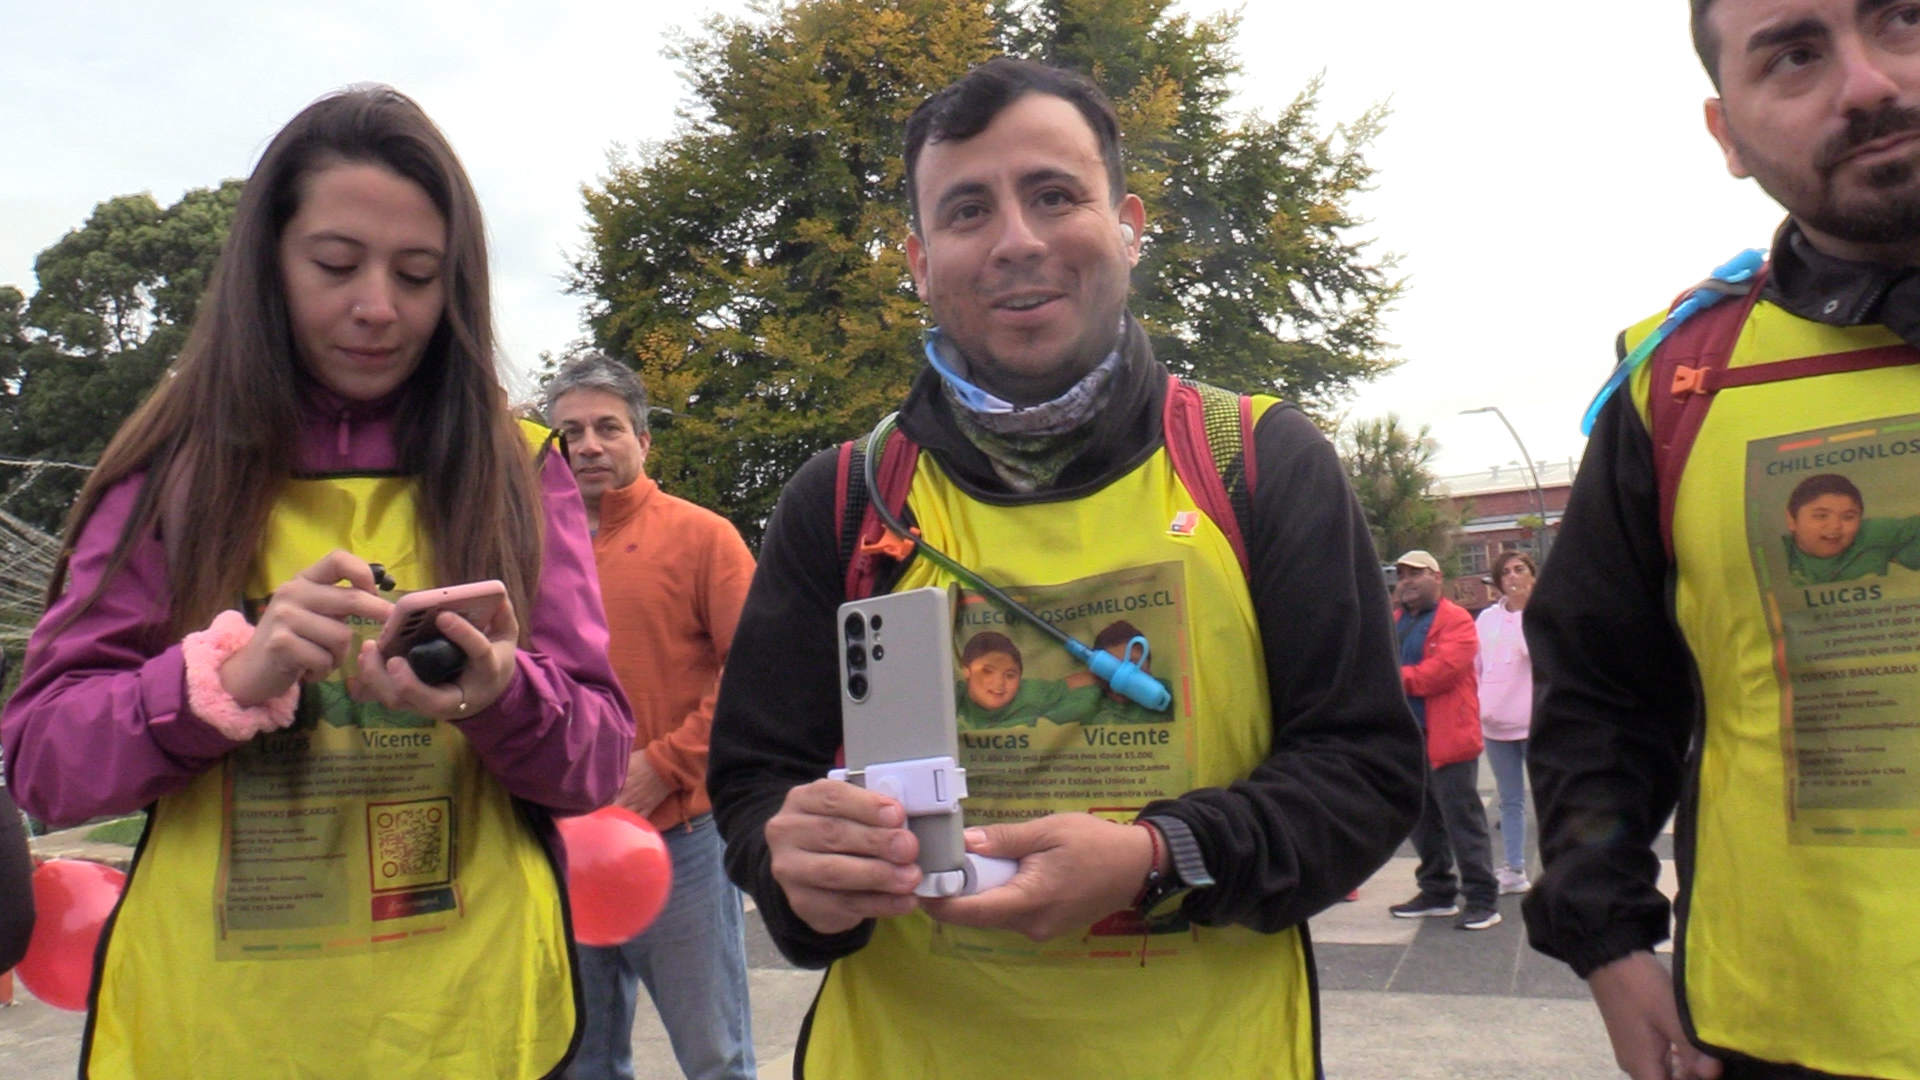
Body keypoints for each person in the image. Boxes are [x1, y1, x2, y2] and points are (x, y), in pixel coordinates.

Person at [706, 58, 1423, 1080]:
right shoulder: (843, 499)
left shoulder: (1259, 461)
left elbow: (1366, 773)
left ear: (1127, 226)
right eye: (968, 210)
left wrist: (1154, 860)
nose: (1016, 240)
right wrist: (798, 874)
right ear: (920, 262)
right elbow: (752, 787)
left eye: (1054, 195)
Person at [0, 87, 633, 1078]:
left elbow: (596, 760)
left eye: (417, 275)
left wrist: (500, 692)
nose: (377, 306)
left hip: (472, 1032)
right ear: (268, 262)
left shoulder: (520, 467)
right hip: (214, 1037)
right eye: (336, 265)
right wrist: (217, 683)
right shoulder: (165, 472)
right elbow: (41, 760)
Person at [1524, 3, 1920, 1078]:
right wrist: (1608, 941)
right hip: (1780, 1039)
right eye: (1794, 55)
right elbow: (1600, 695)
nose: (1866, 83)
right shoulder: (1673, 383)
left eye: (1902, 17)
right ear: (1728, 135)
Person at [543, 353, 758, 1080]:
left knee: (715, 1058)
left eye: (607, 428)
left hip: (679, 841)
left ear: (643, 440)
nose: (588, 446)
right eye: (570, 433)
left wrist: (663, 767)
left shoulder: (703, 538)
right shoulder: (524, 547)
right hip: (558, 845)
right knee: (580, 1061)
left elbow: (755, 674)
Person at [1386, 550, 1500, 930]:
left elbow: (1440, 673)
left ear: (1437, 577)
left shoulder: (1458, 620)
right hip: (1408, 738)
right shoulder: (1395, 621)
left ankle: (1483, 899)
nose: (1406, 581)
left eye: (1415, 573)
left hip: (1449, 736)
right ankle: (1437, 891)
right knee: (1421, 819)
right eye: (1402, 575)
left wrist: (1394, 679)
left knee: (1461, 820)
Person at [1475, 551, 1536, 896]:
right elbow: (1476, 666)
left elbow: (1535, 654)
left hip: (1533, 724)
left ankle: (1564, 868)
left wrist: (1525, 610)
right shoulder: (1486, 619)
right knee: (1509, 800)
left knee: (1550, 798)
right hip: (1495, 726)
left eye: (1520, 570)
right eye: (1506, 572)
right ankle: (1514, 868)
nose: (1513, 577)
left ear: (1532, 576)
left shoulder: (1542, 614)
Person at [1781, 472, 1920, 583]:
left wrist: (1898, 555)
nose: (1835, 525)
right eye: (1821, 516)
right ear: (1791, 519)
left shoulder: (1872, 534)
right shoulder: (1779, 553)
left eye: (1848, 517)